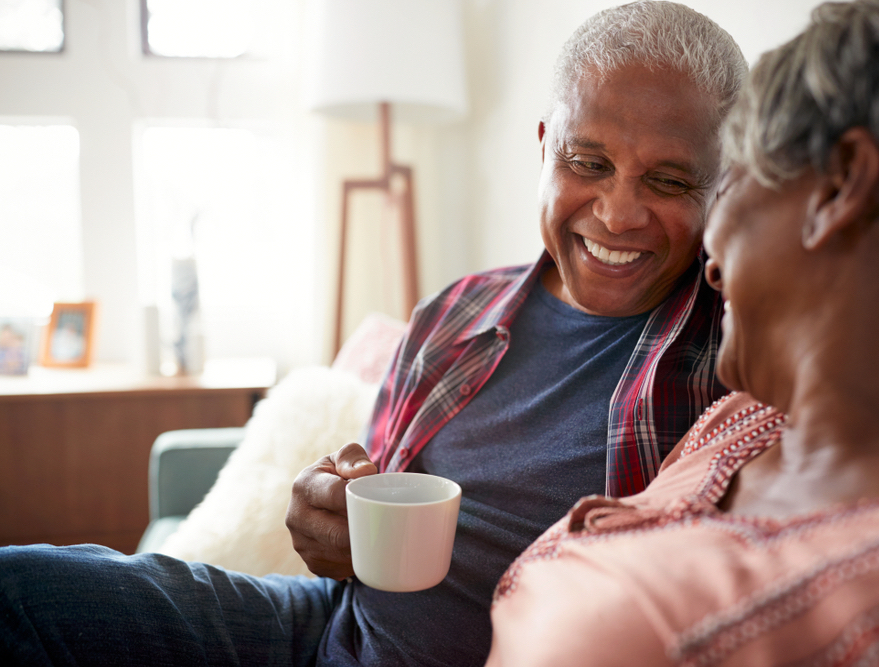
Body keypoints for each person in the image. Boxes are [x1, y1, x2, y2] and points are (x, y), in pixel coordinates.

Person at [0, 3, 746, 666]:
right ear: (545, 146)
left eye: (670, 181)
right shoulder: (456, 314)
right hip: (328, 626)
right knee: (25, 589)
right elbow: (367, 516)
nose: (618, 213)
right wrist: (329, 513)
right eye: (590, 162)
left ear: (724, 184)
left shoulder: (734, 348)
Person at [486, 0, 879, 664]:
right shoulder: (742, 422)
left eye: (728, 182)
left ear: (839, 187)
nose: (712, 253)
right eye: (588, 163)